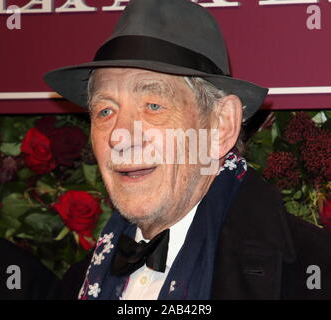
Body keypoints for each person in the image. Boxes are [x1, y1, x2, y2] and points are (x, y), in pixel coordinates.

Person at [45, 0, 331, 300]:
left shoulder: (312, 272)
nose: (119, 136)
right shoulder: (77, 283)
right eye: (104, 111)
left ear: (221, 125)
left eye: (153, 106)